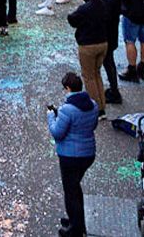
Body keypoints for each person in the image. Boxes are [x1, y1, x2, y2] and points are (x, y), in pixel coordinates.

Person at [47, 72, 98, 237]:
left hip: (70, 157)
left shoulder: (67, 109)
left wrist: (50, 117)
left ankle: (74, 229)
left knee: (71, 192)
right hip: (88, 153)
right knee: (75, 188)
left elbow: (57, 133)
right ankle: (76, 221)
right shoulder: (93, 104)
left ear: (68, 88)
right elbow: (92, 125)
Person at [66, 0, 108, 111]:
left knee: (89, 77)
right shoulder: (103, 4)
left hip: (88, 45)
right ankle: (102, 105)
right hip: (103, 43)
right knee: (97, 74)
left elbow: (72, 19)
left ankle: (96, 108)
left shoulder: (85, 8)